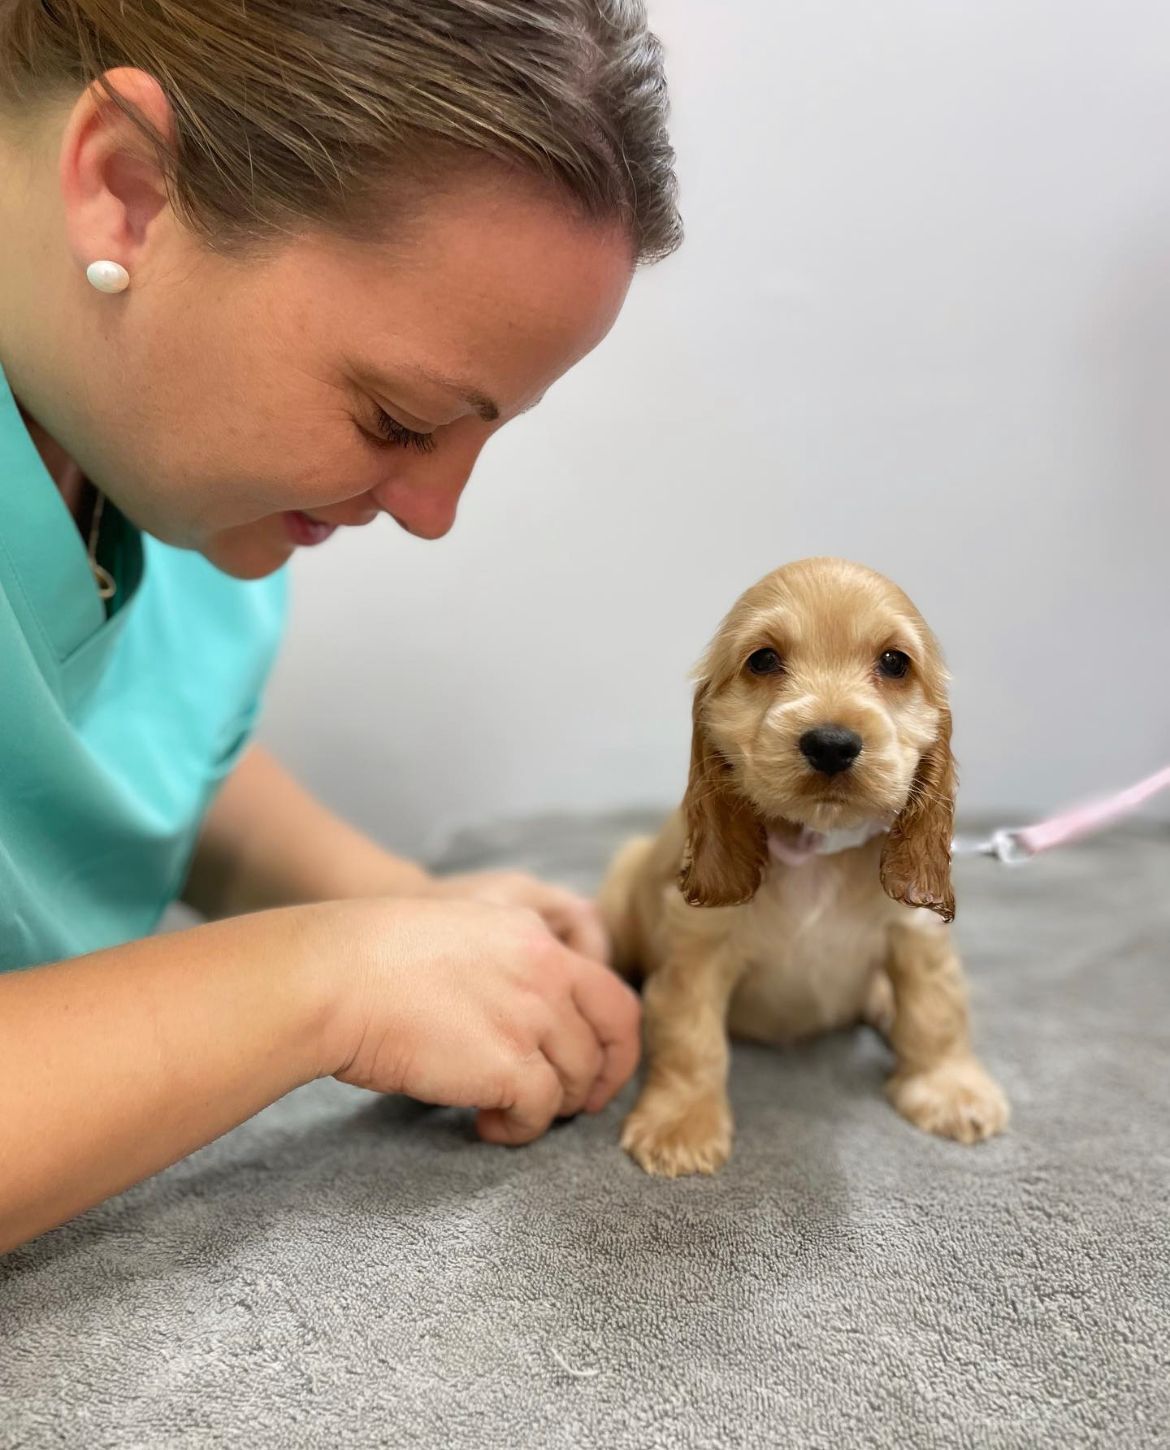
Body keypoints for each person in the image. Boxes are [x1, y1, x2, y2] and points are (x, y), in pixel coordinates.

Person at [0, 0, 681, 1252]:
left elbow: (120, 743)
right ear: (130, 189)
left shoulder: (166, 473)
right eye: (394, 418)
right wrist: (323, 981)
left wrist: (400, 907)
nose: (432, 513)